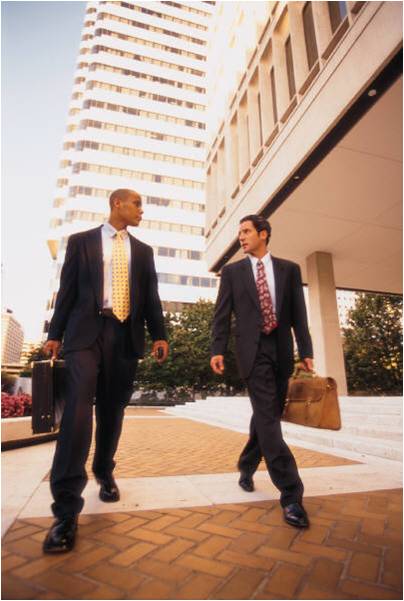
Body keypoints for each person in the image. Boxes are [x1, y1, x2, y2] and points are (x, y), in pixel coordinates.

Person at [42, 188, 168, 553]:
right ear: (118, 204)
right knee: (78, 412)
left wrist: (159, 334)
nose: (142, 211)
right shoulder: (81, 242)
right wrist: (55, 335)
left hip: (125, 336)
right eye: (138, 204)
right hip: (84, 334)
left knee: (112, 410)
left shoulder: (143, 251)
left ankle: (104, 470)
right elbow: (66, 292)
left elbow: (152, 297)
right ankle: (66, 509)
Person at [210, 215, 313, 528]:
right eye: (239, 232)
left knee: (267, 414)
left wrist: (305, 352)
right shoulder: (232, 272)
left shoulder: (289, 270)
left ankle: (246, 464)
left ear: (263, 234)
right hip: (251, 353)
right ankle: (291, 494)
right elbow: (222, 313)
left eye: (246, 231)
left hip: (281, 351)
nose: (240, 237)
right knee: (269, 419)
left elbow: (299, 314)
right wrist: (217, 348)